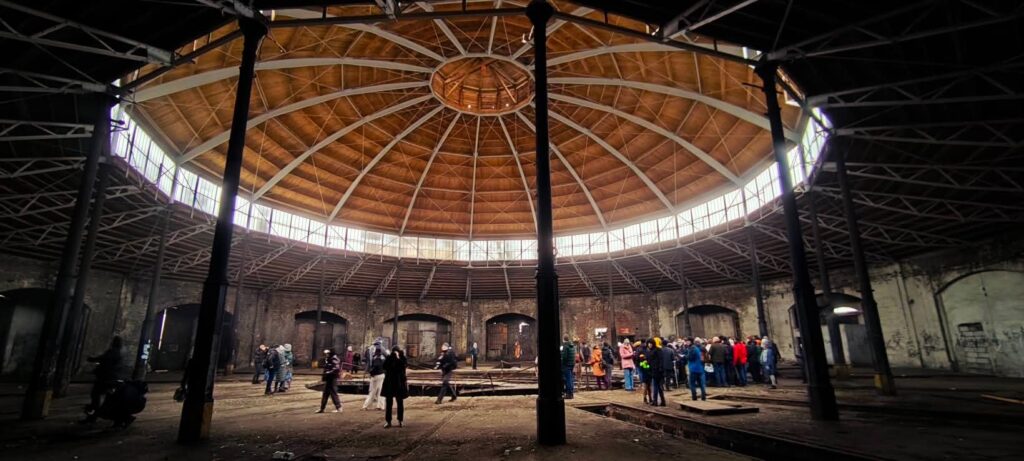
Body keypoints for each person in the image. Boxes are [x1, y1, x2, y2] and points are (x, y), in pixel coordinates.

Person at [82, 336, 126, 423]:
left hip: (106, 379)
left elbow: (103, 359)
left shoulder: (112, 352)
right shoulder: (119, 352)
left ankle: (93, 416)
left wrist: (91, 359)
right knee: (101, 397)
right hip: (112, 378)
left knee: (95, 396)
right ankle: (95, 415)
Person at [382, 345, 408, 428]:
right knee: (390, 403)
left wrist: (398, 358)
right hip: (391, 383)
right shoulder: (389, 358)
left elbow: (403, 366)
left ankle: (399, 420)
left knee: (399, 402)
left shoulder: (402, 358)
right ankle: (389, 421)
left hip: (398, 383)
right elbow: (385, 366)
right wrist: (392, 358)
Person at [316, 348, 342, 413]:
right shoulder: (328, 359)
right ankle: (322, 408)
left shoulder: (333, 359)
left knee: (333, 393)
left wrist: (328, 372)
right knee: (326, 393)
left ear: (330, 353)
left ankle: (338, 407)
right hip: (328, 378)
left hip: (332, 378)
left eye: (327, 353)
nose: (326, 354)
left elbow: (336, 369)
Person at [363, 340, 386, 410]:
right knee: (380, 391)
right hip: (382, 375)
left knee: (372, 391)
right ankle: (380, 406)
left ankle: (366, 406)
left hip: (376, 375)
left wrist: (371, 373)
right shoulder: (383, 357)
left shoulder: (376, 358)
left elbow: (376, 366)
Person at [647, 338, 666, 406]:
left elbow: (661, 360)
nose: (649, 345)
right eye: (648, 343)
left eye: (650, 343)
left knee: (656, 386)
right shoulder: (651, 351)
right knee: (658, 387)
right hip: (654, 371)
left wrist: (660, 369)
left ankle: (656, 401)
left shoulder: (657, 350)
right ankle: (662, 401)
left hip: (657, 371)